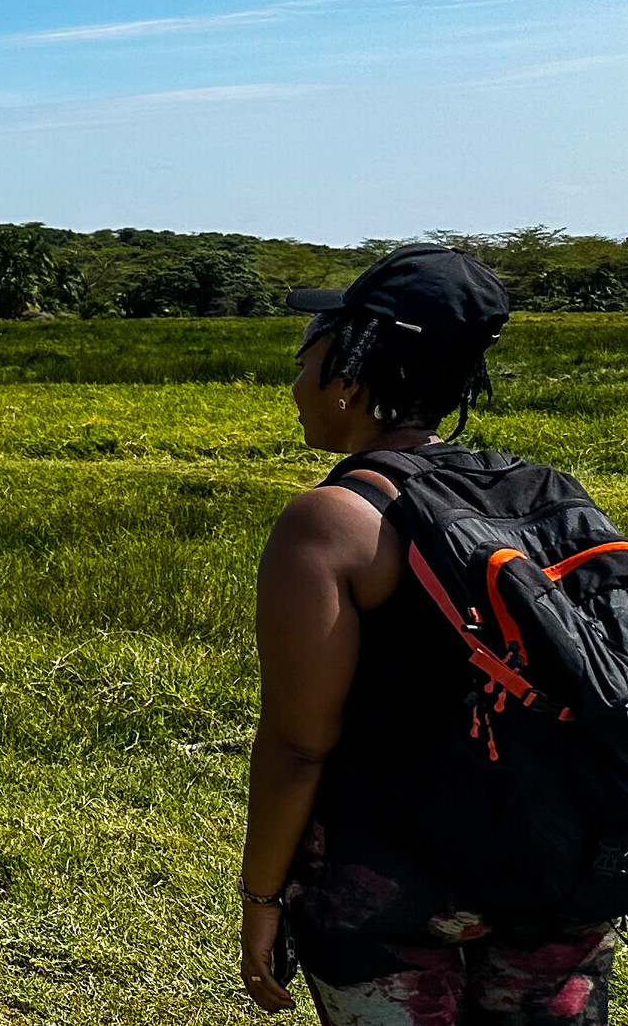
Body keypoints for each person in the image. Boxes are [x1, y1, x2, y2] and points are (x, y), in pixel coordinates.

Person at [238, 244, 619, 1023]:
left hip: (391, 882)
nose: (293, 378)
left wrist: (260, 895)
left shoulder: (331, 521)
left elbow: (297, 745)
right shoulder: (549, 490)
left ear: (349, 375)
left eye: (307, 350)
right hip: (560, 860)